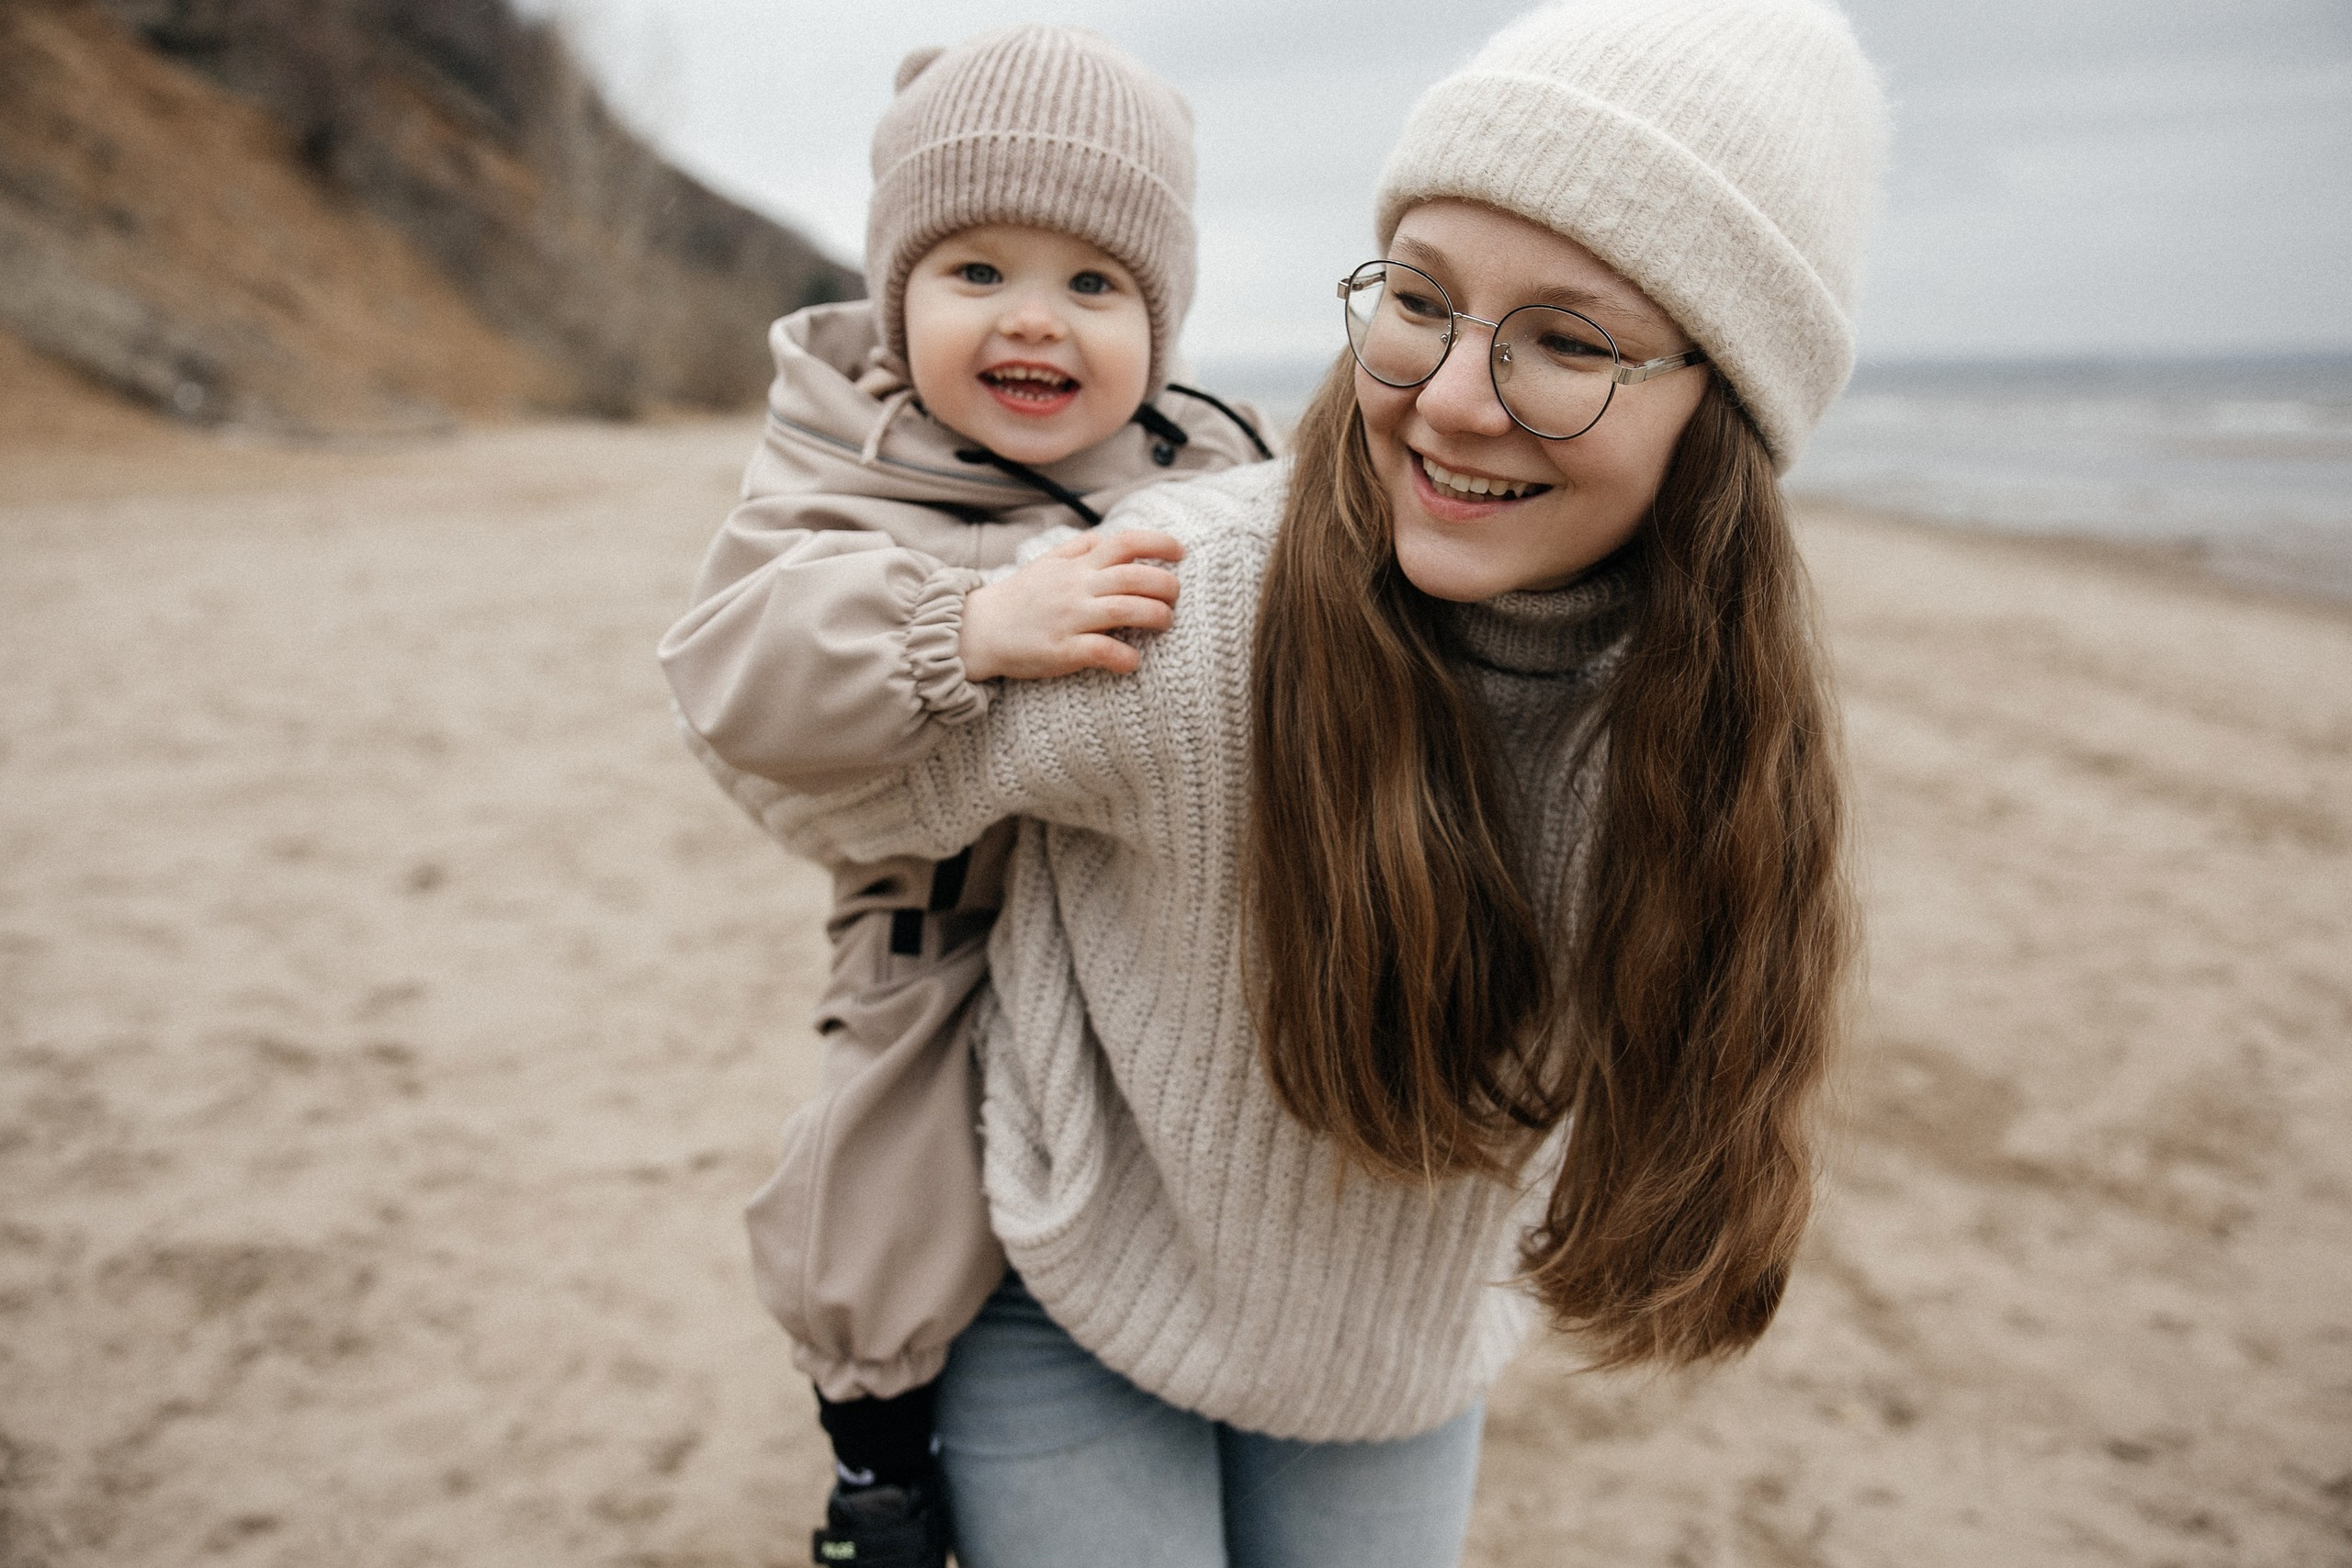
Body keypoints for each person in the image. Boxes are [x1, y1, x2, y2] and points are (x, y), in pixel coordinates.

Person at [671, 0, 1887, 1562]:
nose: (1454, 397)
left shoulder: (1709, 727)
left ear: (1729, 404)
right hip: (1077, 1288)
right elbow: (806, 787)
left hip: (1398, 1354)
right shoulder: (1189, 599)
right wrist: (957, 625)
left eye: (1569, 342)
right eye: (1422, 302)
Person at [656, 25, 1268, 1568]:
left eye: (1094, 283)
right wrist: (970, 620)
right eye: (975, 272)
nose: (1034, 324)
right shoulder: (841, 461)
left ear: (1162, 314)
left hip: (1183, 991)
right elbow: (739, 659)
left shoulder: (1217, 466)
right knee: (889, 1181)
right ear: (894, 291)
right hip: (956, 964)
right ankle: (880, 1457)